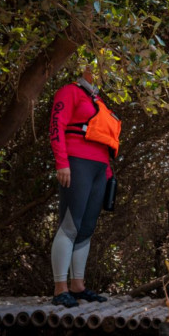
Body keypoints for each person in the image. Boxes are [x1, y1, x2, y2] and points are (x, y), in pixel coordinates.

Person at [49, 67, 121, 308]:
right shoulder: (69, 92)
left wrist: (108, 174)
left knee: (87, 227)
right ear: (87, 70)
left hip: (100, 169)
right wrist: (62, 162)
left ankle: (77, 286)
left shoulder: (98, 100)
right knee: (70, 225)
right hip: (76, 163)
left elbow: (103, 139)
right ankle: (60, 288)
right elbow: (56, 126)